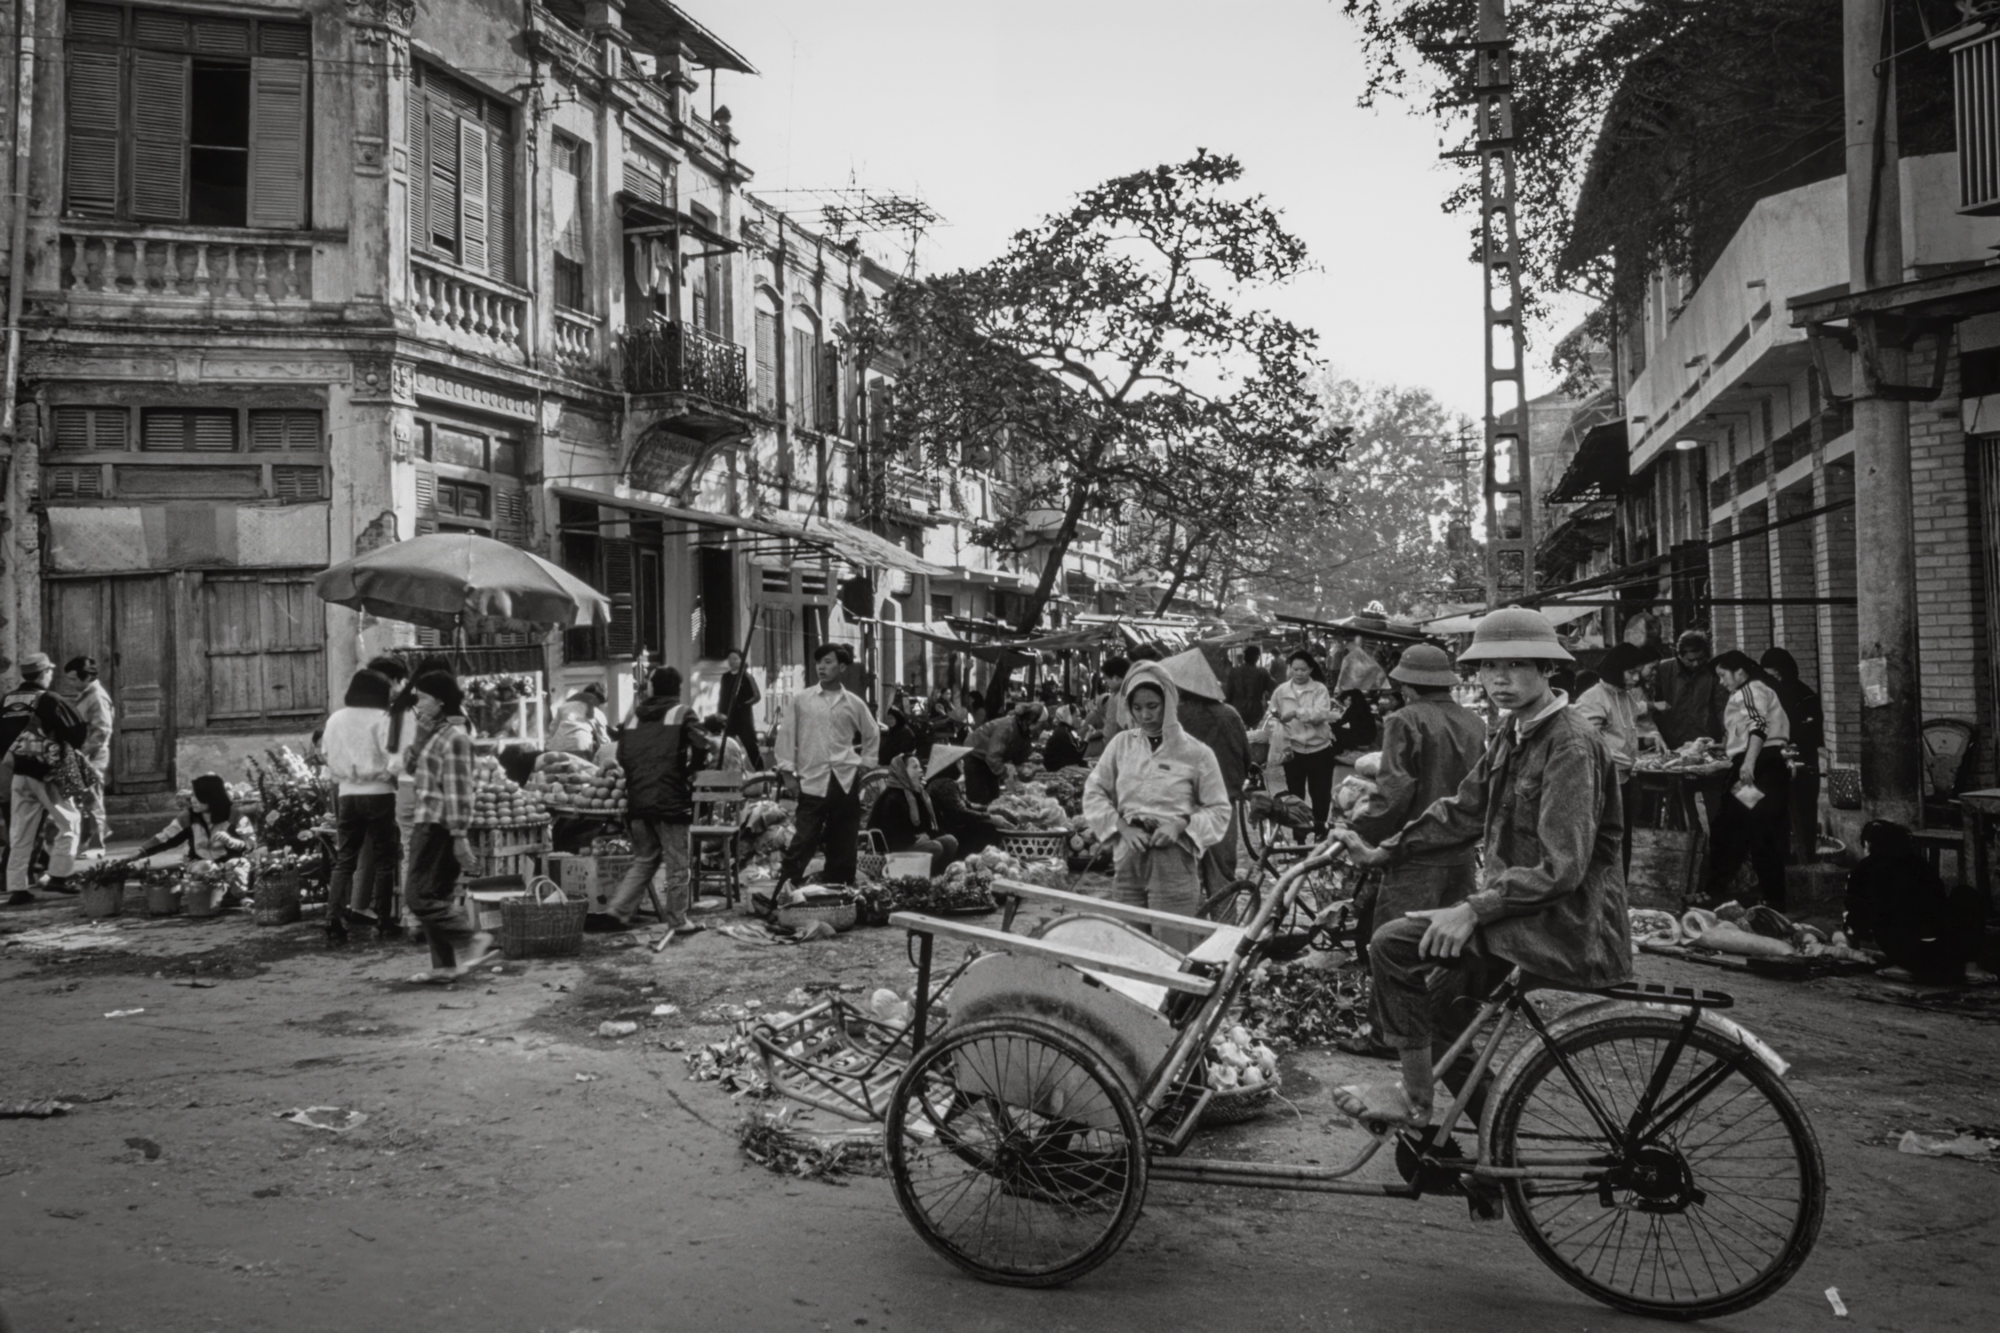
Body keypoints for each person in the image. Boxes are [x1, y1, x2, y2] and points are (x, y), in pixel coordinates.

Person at [1332, 607, 1632, 1132]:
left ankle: (1416, 1102)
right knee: (1441, 1011)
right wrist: (1388, 851)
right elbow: (1463, 809)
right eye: (1490, 666)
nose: (1500, 678)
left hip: (1566, 921)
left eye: (1517, 665)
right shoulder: (1512, 731)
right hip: (1523, 911)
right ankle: (1496, 1147)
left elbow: (1562, 867)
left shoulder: (1570, 743)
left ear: (1546, 671)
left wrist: (1473, 909)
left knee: (1393, 944)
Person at [1083, 663, 1232, 951]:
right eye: (1137, 708)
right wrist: (1121, 827)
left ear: (1169, 703)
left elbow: (1219, 810)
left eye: (1153, 706)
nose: (1145, 715)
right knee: (1130, 946)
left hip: (1173, 860)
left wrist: (1180, 825)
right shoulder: (1120, 745)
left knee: (1173, 949)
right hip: (1129, 857)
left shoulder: (1196, 753)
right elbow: (1094, 792)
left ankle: (1175, 997)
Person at [1348, 644, 1487, 944]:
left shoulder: (1405, 719)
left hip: (1415, 852)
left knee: (1397, 944)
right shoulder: (1474, 722)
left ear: (1407, 686)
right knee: (1451, 947)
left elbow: (1394, 792)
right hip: (1461, 854)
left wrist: (1361, 831)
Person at [592, 667, 711, 934]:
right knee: (678, 864)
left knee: (645, 859)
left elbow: (622, 755)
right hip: (671, 800)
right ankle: (678, 921)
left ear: (652, 689)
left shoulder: (634, 716)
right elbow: (702, 744)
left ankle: (617, 912)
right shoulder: (682, 713)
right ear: (677, 690)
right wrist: (692, 770)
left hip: (638, 801)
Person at [400, 671, 495, 981]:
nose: (418, 705)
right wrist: (418, 737)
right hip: (427, 820)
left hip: (438, 826)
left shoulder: (455, 738)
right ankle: (444, 967)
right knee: (435, 896)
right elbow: (411, 767)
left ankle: (472, 940)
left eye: (423, 698)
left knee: (418, 897)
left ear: (440, 701)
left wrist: (458, 835)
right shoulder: (434, 735)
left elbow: (458, 791)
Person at [775, 643, 880, 891]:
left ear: (842, 667)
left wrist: (866, 763)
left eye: (829, 662)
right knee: (803, 841)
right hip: (812, 779)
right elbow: (786, 736)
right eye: (819, 662)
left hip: (844, 780)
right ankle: (782, 895)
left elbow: (872, 733)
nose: (822, 667)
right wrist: (788, 774)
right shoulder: (802, 701)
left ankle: (840, 896)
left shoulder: (853, 703)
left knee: (843, 842)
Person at [1845, 820, 1994, 985]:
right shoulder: (1920, 864)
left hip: (1908, 953)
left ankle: (1910, 969)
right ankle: (1970, 967)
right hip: (1949, 950)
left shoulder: (1862, 870)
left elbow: (1859, 923)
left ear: (1867, 844)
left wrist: (1852, 939)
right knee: (1965, 893)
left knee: (1881, 913)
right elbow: (1940, 904)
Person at [1157, 648, 1252, 884]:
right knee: (1223, 873)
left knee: (1187, 875)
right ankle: (1223, 919)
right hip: (1222, 803)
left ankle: (1192, 918)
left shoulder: (1171, 717)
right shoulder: (1230, 714)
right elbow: (1246, 758)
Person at [1, 654, 90, 905]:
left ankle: (17, 887)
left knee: (20, 832)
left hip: (17, 773)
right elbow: (76, 731)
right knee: (69, 822)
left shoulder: (7, 700)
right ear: (43, 674)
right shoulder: (50, 699)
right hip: (45, 774)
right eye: (50, 671)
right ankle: (59, 877)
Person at [1705, 650, 1792, 908]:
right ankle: (1769, 897)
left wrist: (1748, 763)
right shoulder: (1754, 690)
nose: (1721, 682)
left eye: (1723, 675)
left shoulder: (1749, 690)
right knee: (1753, 829)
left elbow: (1759, 726)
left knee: (1732, 827)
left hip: (1759, 769)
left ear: (1739, 671)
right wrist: (1729, 748)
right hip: (1765, 764)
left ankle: (1720, 891)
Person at [321, 668, 402, 942]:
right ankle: (384, 919)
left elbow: (326, 755)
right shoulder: (384, 719)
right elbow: (394, 761)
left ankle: (333, 919)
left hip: (346, 794)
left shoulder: (336, 719)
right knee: (384, 858)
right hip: (380, 792)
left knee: (345, 859)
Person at [1572, 643, 1653, 875]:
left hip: (1623, 781)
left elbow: (1621, 733)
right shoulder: (1593, 698)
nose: (1637, 678)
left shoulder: (1626, 697)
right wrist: (1625, 760)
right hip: (1602, 783)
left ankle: (1621, 892)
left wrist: (1647, 740)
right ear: (1617, 669)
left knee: (1623, 839)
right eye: (1632, 672)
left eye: (1638, 672)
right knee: (1606, 842)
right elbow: (1589, 740)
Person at [1760, 647, 1824, 861]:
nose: (1773, 681)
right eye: (1768, 676)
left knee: (1803, 812)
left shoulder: (1805, 697)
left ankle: (1806, 856)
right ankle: (1779, 856)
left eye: (1777, 675)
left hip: (1801, 763)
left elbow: (1810, 735)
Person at [1270, 649, 1338, 840]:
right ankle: (1299, 838)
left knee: (1321, 796)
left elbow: (1321, 714)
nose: (1299, 673)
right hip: (1293, 752)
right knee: (1295, 797)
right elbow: (1272, 715)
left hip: (1320, 750)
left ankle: (1320, 835)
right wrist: (1274, 727)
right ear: (1289, 668)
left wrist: (1296, 713)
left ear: (1310, 669)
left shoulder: (1319, 689)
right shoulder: (1281, 691)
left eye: (1303, 669)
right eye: (1295, 669)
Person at [868, 749, 961, 875]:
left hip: (916, 844)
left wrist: (928, 834)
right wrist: (914, 839)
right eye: (915, 767)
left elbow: (933, 824)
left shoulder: (920, 795)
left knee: (950, 841)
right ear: (902, 772)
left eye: (920, 767)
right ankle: (920, 877)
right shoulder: (892, 798)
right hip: (895, 850)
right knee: (935, 847)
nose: (920, 770)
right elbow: (891, 834)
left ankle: (936, 877)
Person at [132, 773, 251, 864]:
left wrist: (232, 842)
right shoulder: (188, 817)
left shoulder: (235, 816)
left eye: (197, 796)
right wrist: (139, 853)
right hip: (198, 868)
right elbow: (165, 838)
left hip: (231, 867)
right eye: (192, 795)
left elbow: (251, 843)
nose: (192, 800)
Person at [64, 657, 114, 855]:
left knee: (93, 800)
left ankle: (97, 845)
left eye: (73, 679)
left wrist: (83, 753)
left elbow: (102, 730)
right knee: (84, 800)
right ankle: (89, 841)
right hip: (83, 755)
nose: (71, 684)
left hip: (93, 755)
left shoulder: (97, 697)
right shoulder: (86, 694)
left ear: (85, 677)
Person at [1647, 628, 1725, 749]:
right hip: (1670, 741)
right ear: (1679, 655)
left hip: (1705, 740)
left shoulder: (1713, 672)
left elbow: (1722, 707)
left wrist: (1726, 735)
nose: (1696, 664)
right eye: (1690, 660)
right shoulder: (1663, 670)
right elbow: (1652, 703)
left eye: (1700, 659)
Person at [924, 746, 1006, 856]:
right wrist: (990, 817)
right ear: (951, 766)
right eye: (958, 761)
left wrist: (988, 809)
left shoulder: (939, 782)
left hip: (948, 828)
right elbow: (960, 813)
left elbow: (966, 805)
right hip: (950, 831)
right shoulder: (945, 784)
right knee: (988, 827)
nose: (962, 763)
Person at [965, 702, 1041, 804]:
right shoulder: (1006, 726)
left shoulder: (1024, 731)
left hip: (989, 758)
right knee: (979, 796)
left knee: (993, 796)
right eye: (1040, 724)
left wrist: (1022, 771)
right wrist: (1005, 775)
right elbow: (993, 756)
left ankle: (990, 813)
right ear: (1031, 720)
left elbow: (1020, 757)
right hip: (975, 754)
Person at [717, 650, 765, 770]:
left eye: (735, 659)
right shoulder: (725, 677)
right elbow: (722, 696)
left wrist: (743, 705)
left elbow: (757, 696)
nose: (732, 661)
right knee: (726, 746)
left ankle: (761, 772)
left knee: (751, 747)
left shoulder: (746, 677)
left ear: (741, 660)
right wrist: (720, 712)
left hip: (743, 718)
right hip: (728, 718)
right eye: (730, 659)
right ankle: (727, 773)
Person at [549, 683, 611, 759]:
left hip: (558, 746)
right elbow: (603, 741)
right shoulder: (597, 713)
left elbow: (552, 729)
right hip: (580, 747)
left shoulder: (564, 707)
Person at [1224, 644, 1279, 730]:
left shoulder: (1234, 672)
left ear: (1244, 657)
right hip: (1256, 712)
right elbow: (1275, 690)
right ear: (1257, 658)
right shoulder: (1262, 672)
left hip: (1237, 710)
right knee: (1256, 738)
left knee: (1240, 737)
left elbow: (1227, 695)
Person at [1041, 704, 1087, 772]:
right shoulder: (1063, 732)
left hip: (1060, 767)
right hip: (1055, 770)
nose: (1080, 719)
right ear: (1069, 717)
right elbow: (1076, 756)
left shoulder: (1066, 730)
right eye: (1077, 716)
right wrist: (1087, 739)